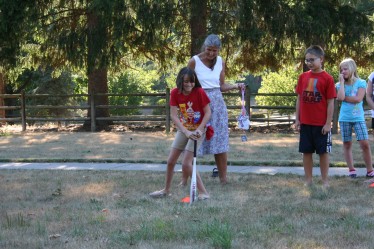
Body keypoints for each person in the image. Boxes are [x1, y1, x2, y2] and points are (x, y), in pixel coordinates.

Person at [187, 34, 245, 184]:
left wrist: (235, 85)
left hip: (218, 105)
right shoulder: (194, 62)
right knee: (192, 142)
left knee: (220, 143)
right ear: (204, 47)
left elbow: (221, 86)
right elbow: (187, 84)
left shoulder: (220, 62)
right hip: (200, 103)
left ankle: (223, 179)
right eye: (209, 50)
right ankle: (186, 179)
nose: (211, 53)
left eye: (215, 50)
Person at [149, 67, 210, 199]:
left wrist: (199, 129)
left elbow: (208, 112)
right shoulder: (175, 93)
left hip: (198, 130)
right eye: (186, 81)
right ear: (180, 81)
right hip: (184, 129)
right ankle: (166, 190)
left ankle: (203, 192)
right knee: (171, 161)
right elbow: (174, 116)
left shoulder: (199, 92)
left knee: (186, 163)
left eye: (192, 81)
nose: (189, 84)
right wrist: (185, 131)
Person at [294, 45, 336, 187]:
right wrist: (297, 119)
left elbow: (331, 102)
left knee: (323, 153)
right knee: (306, 152)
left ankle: (325, 180)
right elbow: (299, 98)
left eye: (312, 60)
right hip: (306, 123)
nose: (309, 63)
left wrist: (328, 123)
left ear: (321, 59)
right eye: (306, 60)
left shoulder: (328, 79)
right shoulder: (303, 77)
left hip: (321, 125)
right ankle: (308, 180)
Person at [336, 58, 374, 178]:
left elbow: (358, 99)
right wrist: (341, 83)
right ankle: (351, 169)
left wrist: (344, 98)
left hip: (358, 118)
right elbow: (340, 97)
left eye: (345, 69)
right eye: (341, 69)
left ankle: (370, 170)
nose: (343, 71)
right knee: (347, 144)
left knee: (364, 144)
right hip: (344, 118)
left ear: (352, 68)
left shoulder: (361, 82)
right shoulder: (338, 85)